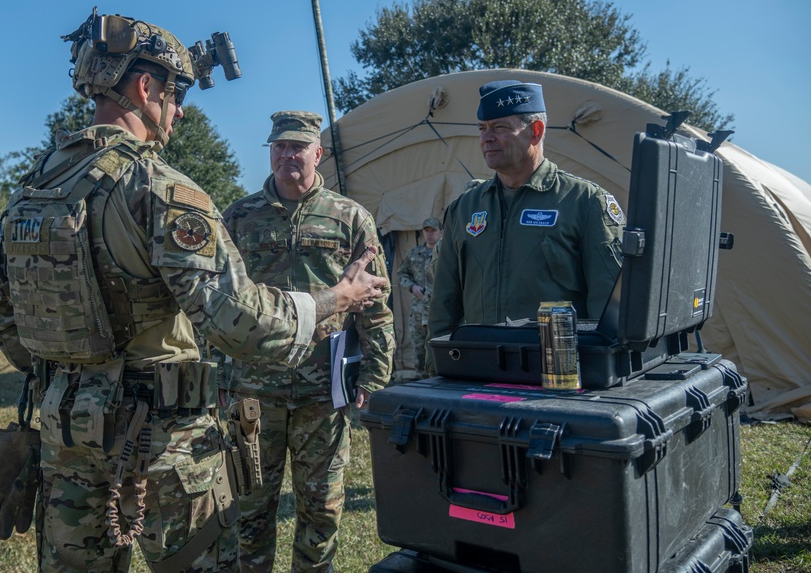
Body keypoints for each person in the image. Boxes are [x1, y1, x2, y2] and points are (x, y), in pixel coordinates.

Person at [0, 12, 386, 573]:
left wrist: (83, 377)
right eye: (176, 93)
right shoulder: (162, 190)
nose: (180, 109)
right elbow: (240, 321)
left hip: (66, 437)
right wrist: (335, 299)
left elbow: (6, 321)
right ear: (144, 88)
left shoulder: (36, 187)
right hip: (162, 446)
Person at [222, 110, 395, 573]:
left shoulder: (349, 218)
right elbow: (216, 304)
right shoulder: (239, 217)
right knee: (249, 509)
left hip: (323, 391)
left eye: (298, 147)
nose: (288, 155)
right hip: (251, 392)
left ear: (318, 153)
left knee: (321, 510)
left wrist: (375, 376)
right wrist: (215, 377)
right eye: (279, 146)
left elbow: (375, 304)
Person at [428, 80, 624, 343]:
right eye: (482, 128)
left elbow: (610, 312)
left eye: (500, 127)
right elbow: (443, 305)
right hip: (477, 370)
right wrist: (439, 368)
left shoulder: (584, 202)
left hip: (555, 372)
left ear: (535, 132)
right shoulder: (465, 208)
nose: (486, 137)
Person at [395, 217, 441, 381]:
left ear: (440, 232)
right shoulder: (414, 253)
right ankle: (422, 382)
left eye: (433, 231)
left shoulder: (446, 253)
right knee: (419, 350)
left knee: (438, 348)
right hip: (418, 311)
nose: (429, 235)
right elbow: (402, 273)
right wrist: (412, 287)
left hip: (440, 312)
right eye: (426, 231)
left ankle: (440, 382)